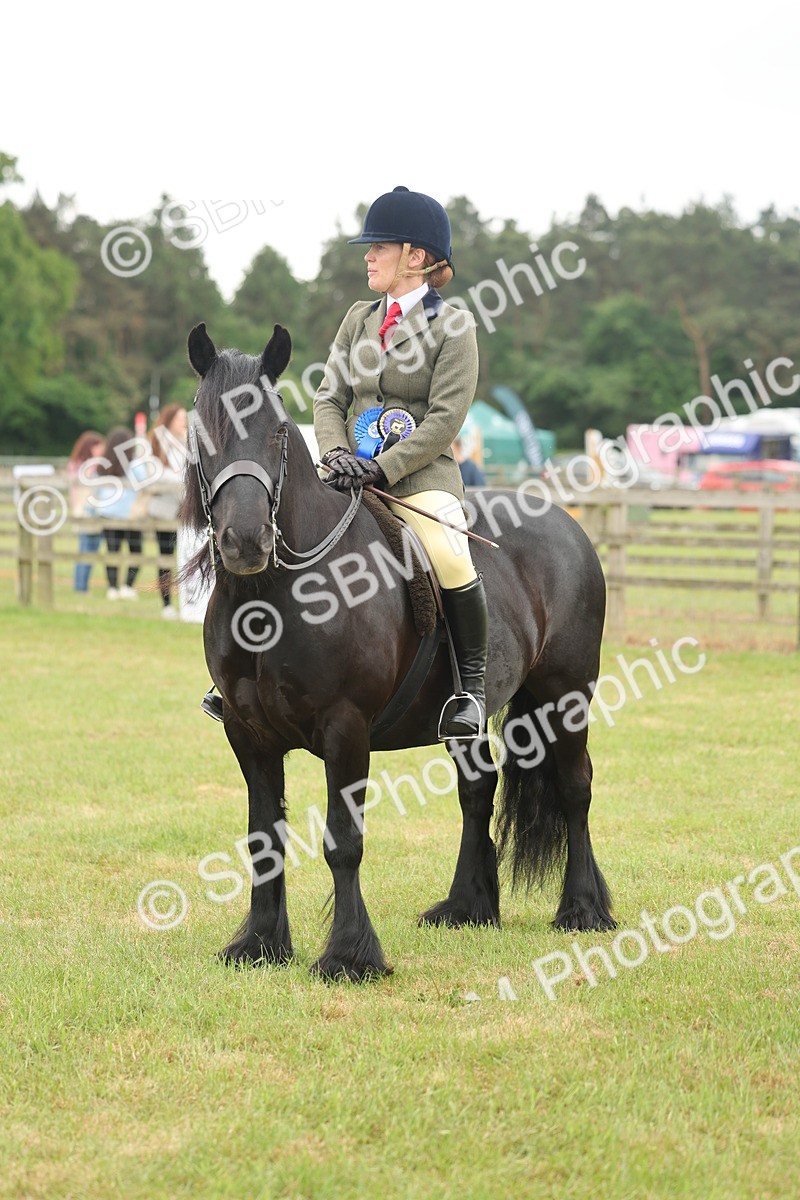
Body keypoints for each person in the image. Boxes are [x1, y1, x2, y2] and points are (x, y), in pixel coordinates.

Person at [313, 185, 488, 739]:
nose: (367, 256)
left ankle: (471, 691)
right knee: (281, 522)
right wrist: (337, 454)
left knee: (449, 554)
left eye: (379, 247)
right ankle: (244, 675)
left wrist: (382, 469)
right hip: (345, 475)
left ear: (416, 257)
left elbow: (445, 420)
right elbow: (329, 398)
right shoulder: (357, 319)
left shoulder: (454, 326)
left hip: (418, 480)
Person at [87, 426, 146, 600]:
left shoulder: (102, 465)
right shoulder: (135, 465)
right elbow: (145, 484)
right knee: (136, 552)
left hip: (108, 513)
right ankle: (127, 586)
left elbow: (94, 489)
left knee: (112, 551)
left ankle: (112, 588)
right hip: (130, 515)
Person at [147, 404, 188, 619]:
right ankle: (166, 603)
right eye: (180, 418)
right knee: (165, 557)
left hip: (185, 510)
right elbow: (154, 474)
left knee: (188, 555)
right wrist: (180, 479)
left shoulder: (187, 443)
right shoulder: (156, 442)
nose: (184, 422)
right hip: (164, 509)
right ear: (169, 420)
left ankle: (190, 602)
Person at [67, 430, 105, 592]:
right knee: (86, 550)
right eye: (99, 447)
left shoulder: (84, 465)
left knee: (88, 550)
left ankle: (81, 586)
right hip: (85, 512)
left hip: (89, 512)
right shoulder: (85, 467)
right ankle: (81, 587)